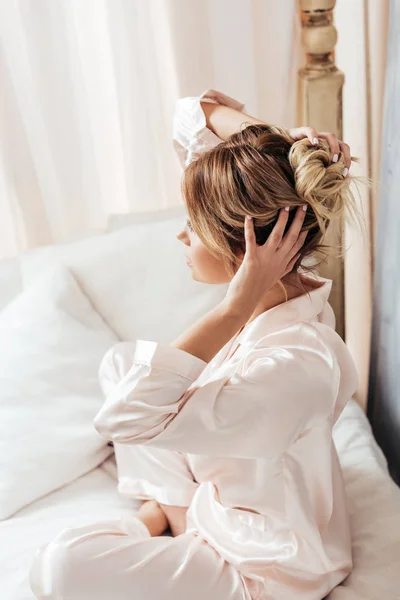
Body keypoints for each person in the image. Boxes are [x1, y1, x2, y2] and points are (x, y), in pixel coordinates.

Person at [29, 89, 362, 600]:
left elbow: (126, 421)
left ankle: (167, 519)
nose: (182, 238)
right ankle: (174, 514)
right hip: (219, 504)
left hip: (267, 568)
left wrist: (232, 305)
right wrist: (280, 141)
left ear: (245, 246)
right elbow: (191, 111)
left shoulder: (297, 363)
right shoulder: (280, 304)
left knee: (60, 569)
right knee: (125, 363)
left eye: (194, 226)